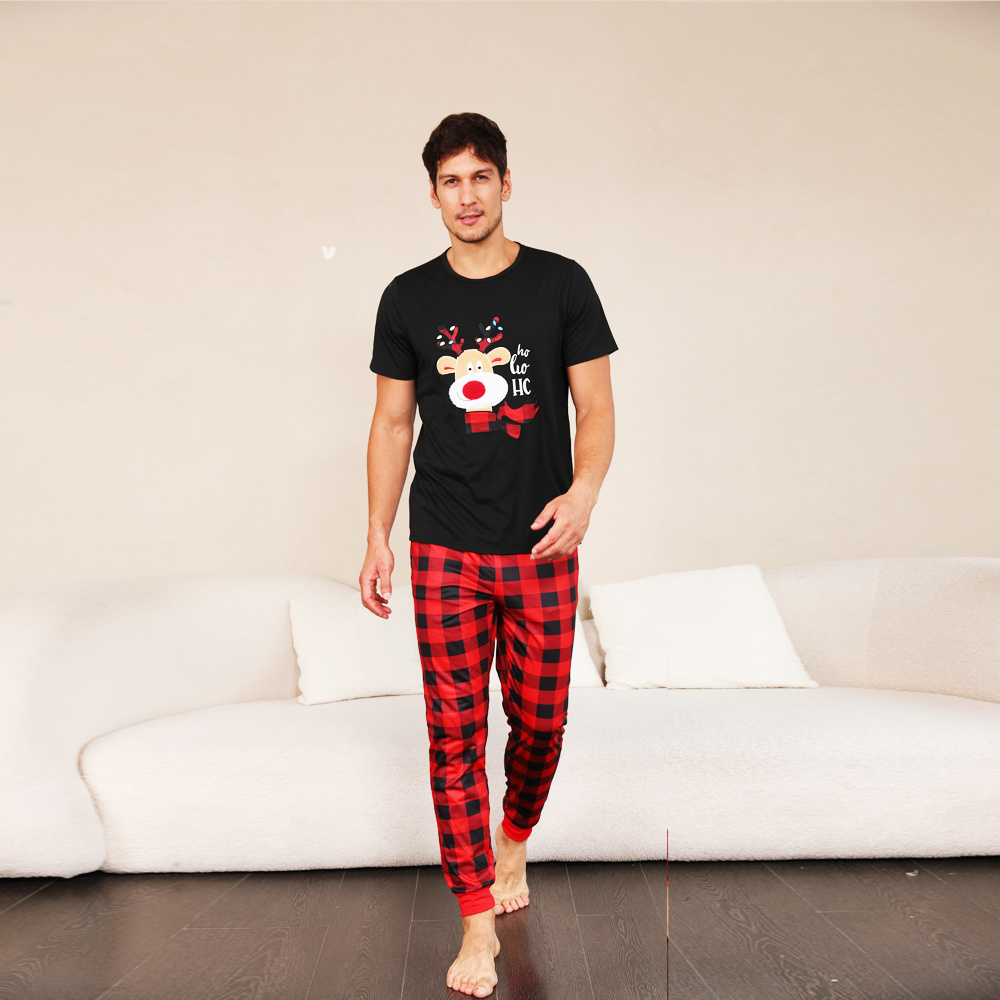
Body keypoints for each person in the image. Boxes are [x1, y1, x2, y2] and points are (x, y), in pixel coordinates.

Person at [360, 111, 617, 998]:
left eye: (480, 177)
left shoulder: (562, 284)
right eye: (449, 181)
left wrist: (584, 494)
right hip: (443, 543)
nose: (466, 196)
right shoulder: (407, 298)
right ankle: (476, 921)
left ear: (506, 183)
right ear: (432, 193)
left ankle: (514, 838)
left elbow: (597, 408)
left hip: (542, 542)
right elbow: (392, 423)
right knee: (454, 733)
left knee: (540, 723)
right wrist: (377, 535)